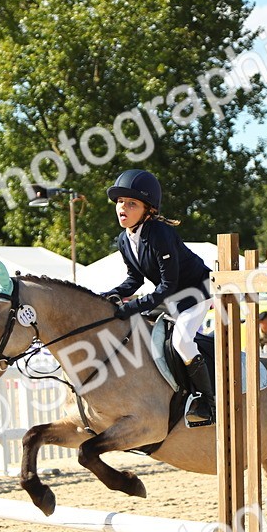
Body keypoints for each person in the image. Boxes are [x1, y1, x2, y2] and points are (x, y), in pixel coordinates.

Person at [100, 169, 214, 426]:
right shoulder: (124, 239)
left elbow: (167, 286)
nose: (123, 208)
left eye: (131, 203)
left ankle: (207, 401)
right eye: (120, 202)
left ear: (148, 210)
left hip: (197, 291)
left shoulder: (160, 234)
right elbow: (134, 280)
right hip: (172, 295)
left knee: (183, 341)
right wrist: (108, 296)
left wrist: (134, 306)